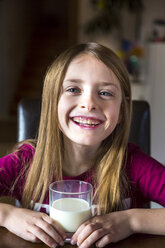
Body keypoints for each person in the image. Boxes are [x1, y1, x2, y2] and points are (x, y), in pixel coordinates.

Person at [0, 42, 165, 248]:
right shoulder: (25, 161)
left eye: (105, 93)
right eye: (73, 89)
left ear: (122, 111)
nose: (89, 103)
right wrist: (7, 215)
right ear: (52, 104)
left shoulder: (132, 164)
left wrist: (131, 221)